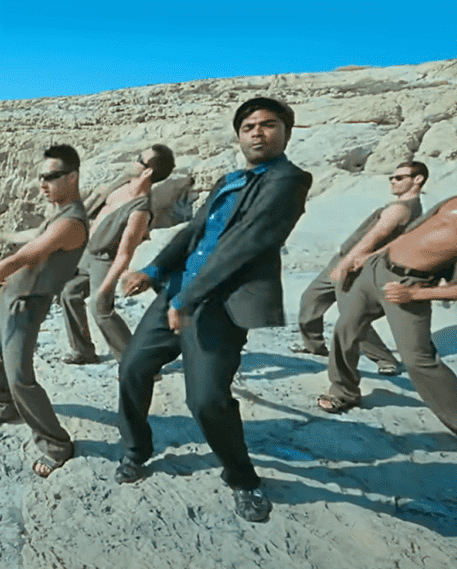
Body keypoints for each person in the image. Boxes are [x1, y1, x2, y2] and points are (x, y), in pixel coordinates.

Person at [114, 97, 312, 522]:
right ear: (239, 135)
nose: (257, 132)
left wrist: (188, 299)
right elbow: (195, 232)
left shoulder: (289, 180)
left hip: (219, 304)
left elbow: (243, 247)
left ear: (285, 131)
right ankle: (136, 449)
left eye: (268, 124)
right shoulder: (230, 179)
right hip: (178, 293)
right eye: (248, 126)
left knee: (206, 399)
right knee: (132, 368)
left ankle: (243, 479)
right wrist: (152, 269)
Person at [319, 144, 457, 461]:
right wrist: (369, 256)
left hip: (409, 285)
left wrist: (416, 294)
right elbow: (414, 233)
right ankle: (344, 391)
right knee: (346, 330)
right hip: (376, 270)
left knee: (418, 359)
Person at [0, 144, 89, 478]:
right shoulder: (58, 211)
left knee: (20, 378)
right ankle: (2, 408)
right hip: (9, 294)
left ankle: (57, 446)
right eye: (41, 176)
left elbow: (20, 258)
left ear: (73, 176)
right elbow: (36, 236)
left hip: (27, 306)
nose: (42, 183)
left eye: (51, 177)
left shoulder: (73, 222)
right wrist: (5, 234)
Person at [292, 161, 427, 375]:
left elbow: (373, 239)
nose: (393, 180)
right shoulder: (404, 208)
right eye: (392, 177)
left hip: (357, 265)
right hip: (344, 259)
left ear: (417, 180)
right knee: (311, 298)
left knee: (351, 316)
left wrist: (349, 264)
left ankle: (385, 360)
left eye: (400, 177)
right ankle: (314, 347)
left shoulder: (401, 209)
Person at [60, 144, 175, 364]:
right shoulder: (123, 183)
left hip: (105, 259)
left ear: (148, 171)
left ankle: (135, 363)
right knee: (68, 293)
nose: (133, 159)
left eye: (139, 158)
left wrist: (105, 288)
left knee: (100, 308)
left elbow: (124, 255)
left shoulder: (140, 211)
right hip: (88, 251)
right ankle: (83, 351)